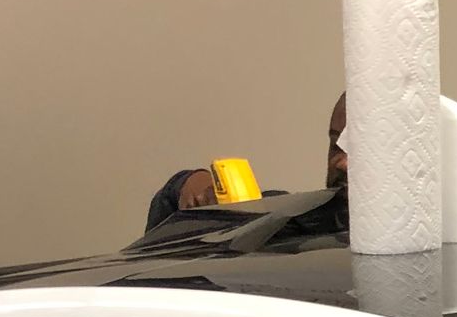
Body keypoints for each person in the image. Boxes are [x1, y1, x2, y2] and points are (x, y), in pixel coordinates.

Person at [143, 93, 348, 234]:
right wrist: (190, 183)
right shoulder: (292, 218)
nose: (340, 163)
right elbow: (168, 206)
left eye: (360, 149)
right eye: (335, 144)